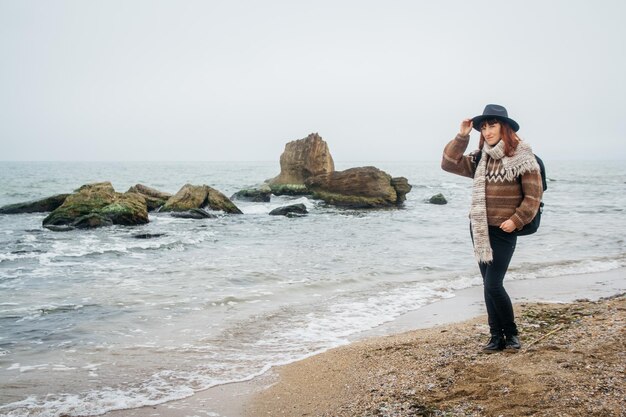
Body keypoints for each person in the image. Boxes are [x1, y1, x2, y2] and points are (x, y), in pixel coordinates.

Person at [441, 104, 543, 353]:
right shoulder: (479, 159)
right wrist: (462, 136)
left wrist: (517, 220)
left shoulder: (523, 157)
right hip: (478, 228)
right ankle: (496, 336)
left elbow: (533, 196)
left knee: (493, 284)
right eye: (483, 127)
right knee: (488, 283)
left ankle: (512, 334)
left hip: (504, 230)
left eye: (492, 125)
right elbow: (448, 163)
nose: (487, 131)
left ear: (504, 127)